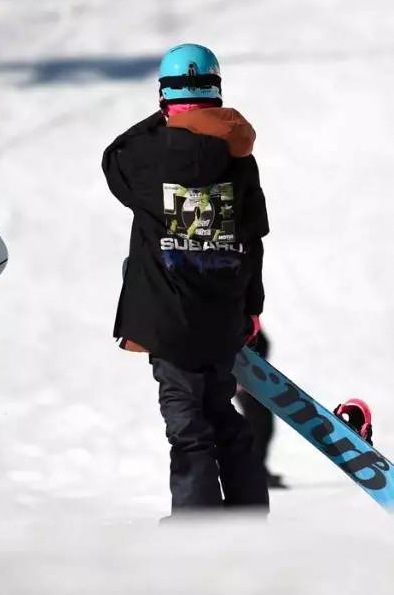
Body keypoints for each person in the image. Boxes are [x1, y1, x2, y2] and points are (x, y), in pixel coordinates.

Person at [102, 43, 270, 516]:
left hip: (166, 318)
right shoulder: (240, 157)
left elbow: (113, 157)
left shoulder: (146, 158)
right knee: (221, 415)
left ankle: (198, 532)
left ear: (164, 95)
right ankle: (249, 516)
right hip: (221, 316)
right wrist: (252, 308)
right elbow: (253, 239)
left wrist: (166, 117)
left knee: (188, 428)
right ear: (217, 91)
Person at [236, 329, 283, 487]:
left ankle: (255, 469)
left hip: (250, 374)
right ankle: (253, 472)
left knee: (262, 426)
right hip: (244, 376)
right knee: (259, 426)